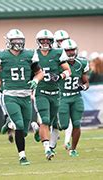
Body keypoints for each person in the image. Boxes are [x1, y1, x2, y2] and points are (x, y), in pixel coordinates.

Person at [0, 29, 44, 165]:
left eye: (20, 41)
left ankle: (14, 124)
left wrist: (35, 81)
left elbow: (39, 73)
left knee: (23, 132)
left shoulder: (29, 54)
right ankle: (22, 156)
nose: (19, 44)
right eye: (15, 41)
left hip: (25, 96)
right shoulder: (2, 55)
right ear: (9, 42)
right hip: (10, 96)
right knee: (19, 125)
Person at [34, 29, 71, 160]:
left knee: (52, 121)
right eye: (42, 41)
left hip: (55, 93)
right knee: (45, 120)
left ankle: (43, 136)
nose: (44, 43)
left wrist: (60, 76)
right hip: (40, 92)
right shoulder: (33, 55)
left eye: (47, 40)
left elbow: (68, 70)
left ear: (51, 42)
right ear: (38, 42)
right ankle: (47, 149)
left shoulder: (58, 53)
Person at [58, 39, 89, 156]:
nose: (71, 53)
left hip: (76, 97)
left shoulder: (81, 63)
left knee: (76, 123)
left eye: (72, 50)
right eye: (68, 50)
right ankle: (52, 124)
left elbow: (86, 82)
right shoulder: (59, 64)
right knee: (64, 125)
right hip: (62, 98)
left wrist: (83, 87)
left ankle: (73, 149)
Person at [52, 29, 73, 150]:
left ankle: (66, 141)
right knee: (52, 118)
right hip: (53, 87)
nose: (62, 42)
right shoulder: (54, 52)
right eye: (60, 40)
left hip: (66, 86)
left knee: (67, 114)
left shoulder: (70, 49)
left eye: (64, 40)